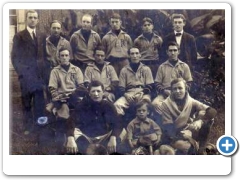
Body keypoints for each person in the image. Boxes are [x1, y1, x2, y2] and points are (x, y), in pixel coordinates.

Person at [11, 10, 46, 134]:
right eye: (30, 17)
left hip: (39, 75)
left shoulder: (42, 35)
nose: (33, 19)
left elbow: (44, 56)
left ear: (38, 20)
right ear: (26, 19)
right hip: (26, 76)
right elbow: (14, 57)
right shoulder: (19, 36)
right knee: (26, 102)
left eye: (35, 17)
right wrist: (22, 73)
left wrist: (44, 72)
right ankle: (27, 127)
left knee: (39, 102)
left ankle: (40, 126)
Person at [159, 78, 217, 148]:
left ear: (185, 89)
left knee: (209, 118)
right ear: (171, 91)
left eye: (180, 88)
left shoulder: (189, 100)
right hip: (174, 134)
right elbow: (169, 129)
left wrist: (201, 121)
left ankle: (202, 147)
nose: (177, 91)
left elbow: (212, 111)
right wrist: (186, 137)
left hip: (188, 129)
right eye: (174, 89)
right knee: (187, 147)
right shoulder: (166, 104)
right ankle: (197, 146)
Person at [65, 80, 121, 155]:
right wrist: (70, 138)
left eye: (98, 91)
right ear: (89, 93)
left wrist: (113, 137)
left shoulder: (109, 106)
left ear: (103, 92)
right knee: (73, 139)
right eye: (93, 91)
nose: (96, 94)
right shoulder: (82, 105)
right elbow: (71, 121)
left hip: (103, 136)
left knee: (120, 135)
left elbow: (117, 123)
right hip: (87, 137)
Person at [114, 47, 154, 127]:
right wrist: (126, 95)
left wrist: (142, 93)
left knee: (146, 102)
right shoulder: (124, 70)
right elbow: (121, 87)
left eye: (136, 53)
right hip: (129, 93)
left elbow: (150, 85)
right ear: (129, 56)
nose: (134, 56)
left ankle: (146, 127)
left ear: (140, 55)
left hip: (142, 92)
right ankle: (121, 128)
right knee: (117, 105)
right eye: (132, 54)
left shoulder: (146, 69)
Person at [152, 41, 193, 114]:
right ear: (167, 52)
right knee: (155, 104)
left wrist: (182, 92)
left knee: (188, 105)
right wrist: (164, 91)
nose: (173, 53)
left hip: (180, 93)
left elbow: (189, 82)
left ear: (178, 51)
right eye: (170, 51)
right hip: (166, 93)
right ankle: (168, 120)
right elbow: (157, 83)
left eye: (175, 50)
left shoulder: (184, 66)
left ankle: (178, 121)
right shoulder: (162, 67)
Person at [48, 47, 86, 121]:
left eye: (66, 55)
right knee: (63, 112)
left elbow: (81, 86)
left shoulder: (76, 69)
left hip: (75, 96)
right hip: (62, 98)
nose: (64, 58)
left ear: (69, 57)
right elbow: (52, 88)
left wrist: (73, 94)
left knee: (82, 110)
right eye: (62, 56)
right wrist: (57, 96)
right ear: (59, 57)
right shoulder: (55, 71)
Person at [44, 20, 73, 102]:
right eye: (54, 28)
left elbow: (69, 58)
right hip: (49, 71)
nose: (56, 30)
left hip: (62, 71)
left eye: (58, 28)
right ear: (50, 29)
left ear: (61, 30)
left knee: (61, 92)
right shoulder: (45, 42)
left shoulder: (66, 43)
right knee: (50, 93)